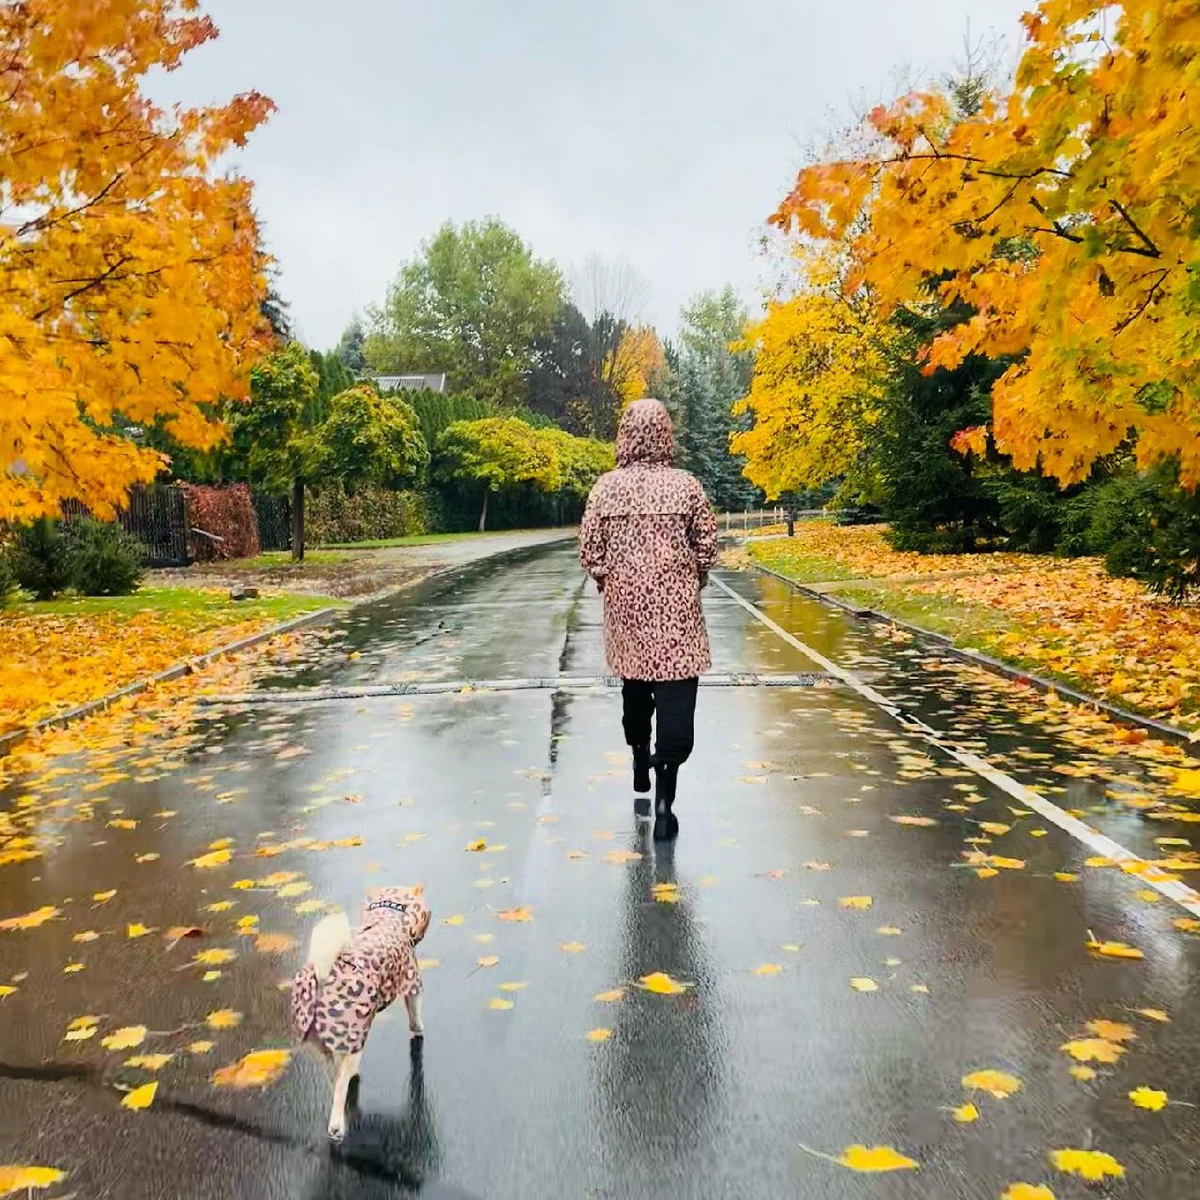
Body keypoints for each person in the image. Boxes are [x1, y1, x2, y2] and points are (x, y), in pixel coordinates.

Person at [579, 398, 718, 840]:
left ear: (624, 435)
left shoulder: (605, 488)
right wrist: (691, 575)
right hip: (677, 618)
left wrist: (610, 581)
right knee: (677, 701)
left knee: (635, 691)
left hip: (627, 615)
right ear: (665, 434)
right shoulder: (687, 487)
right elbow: (707, 547)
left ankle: (639, 752)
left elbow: (590, 552)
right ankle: (664, 803)